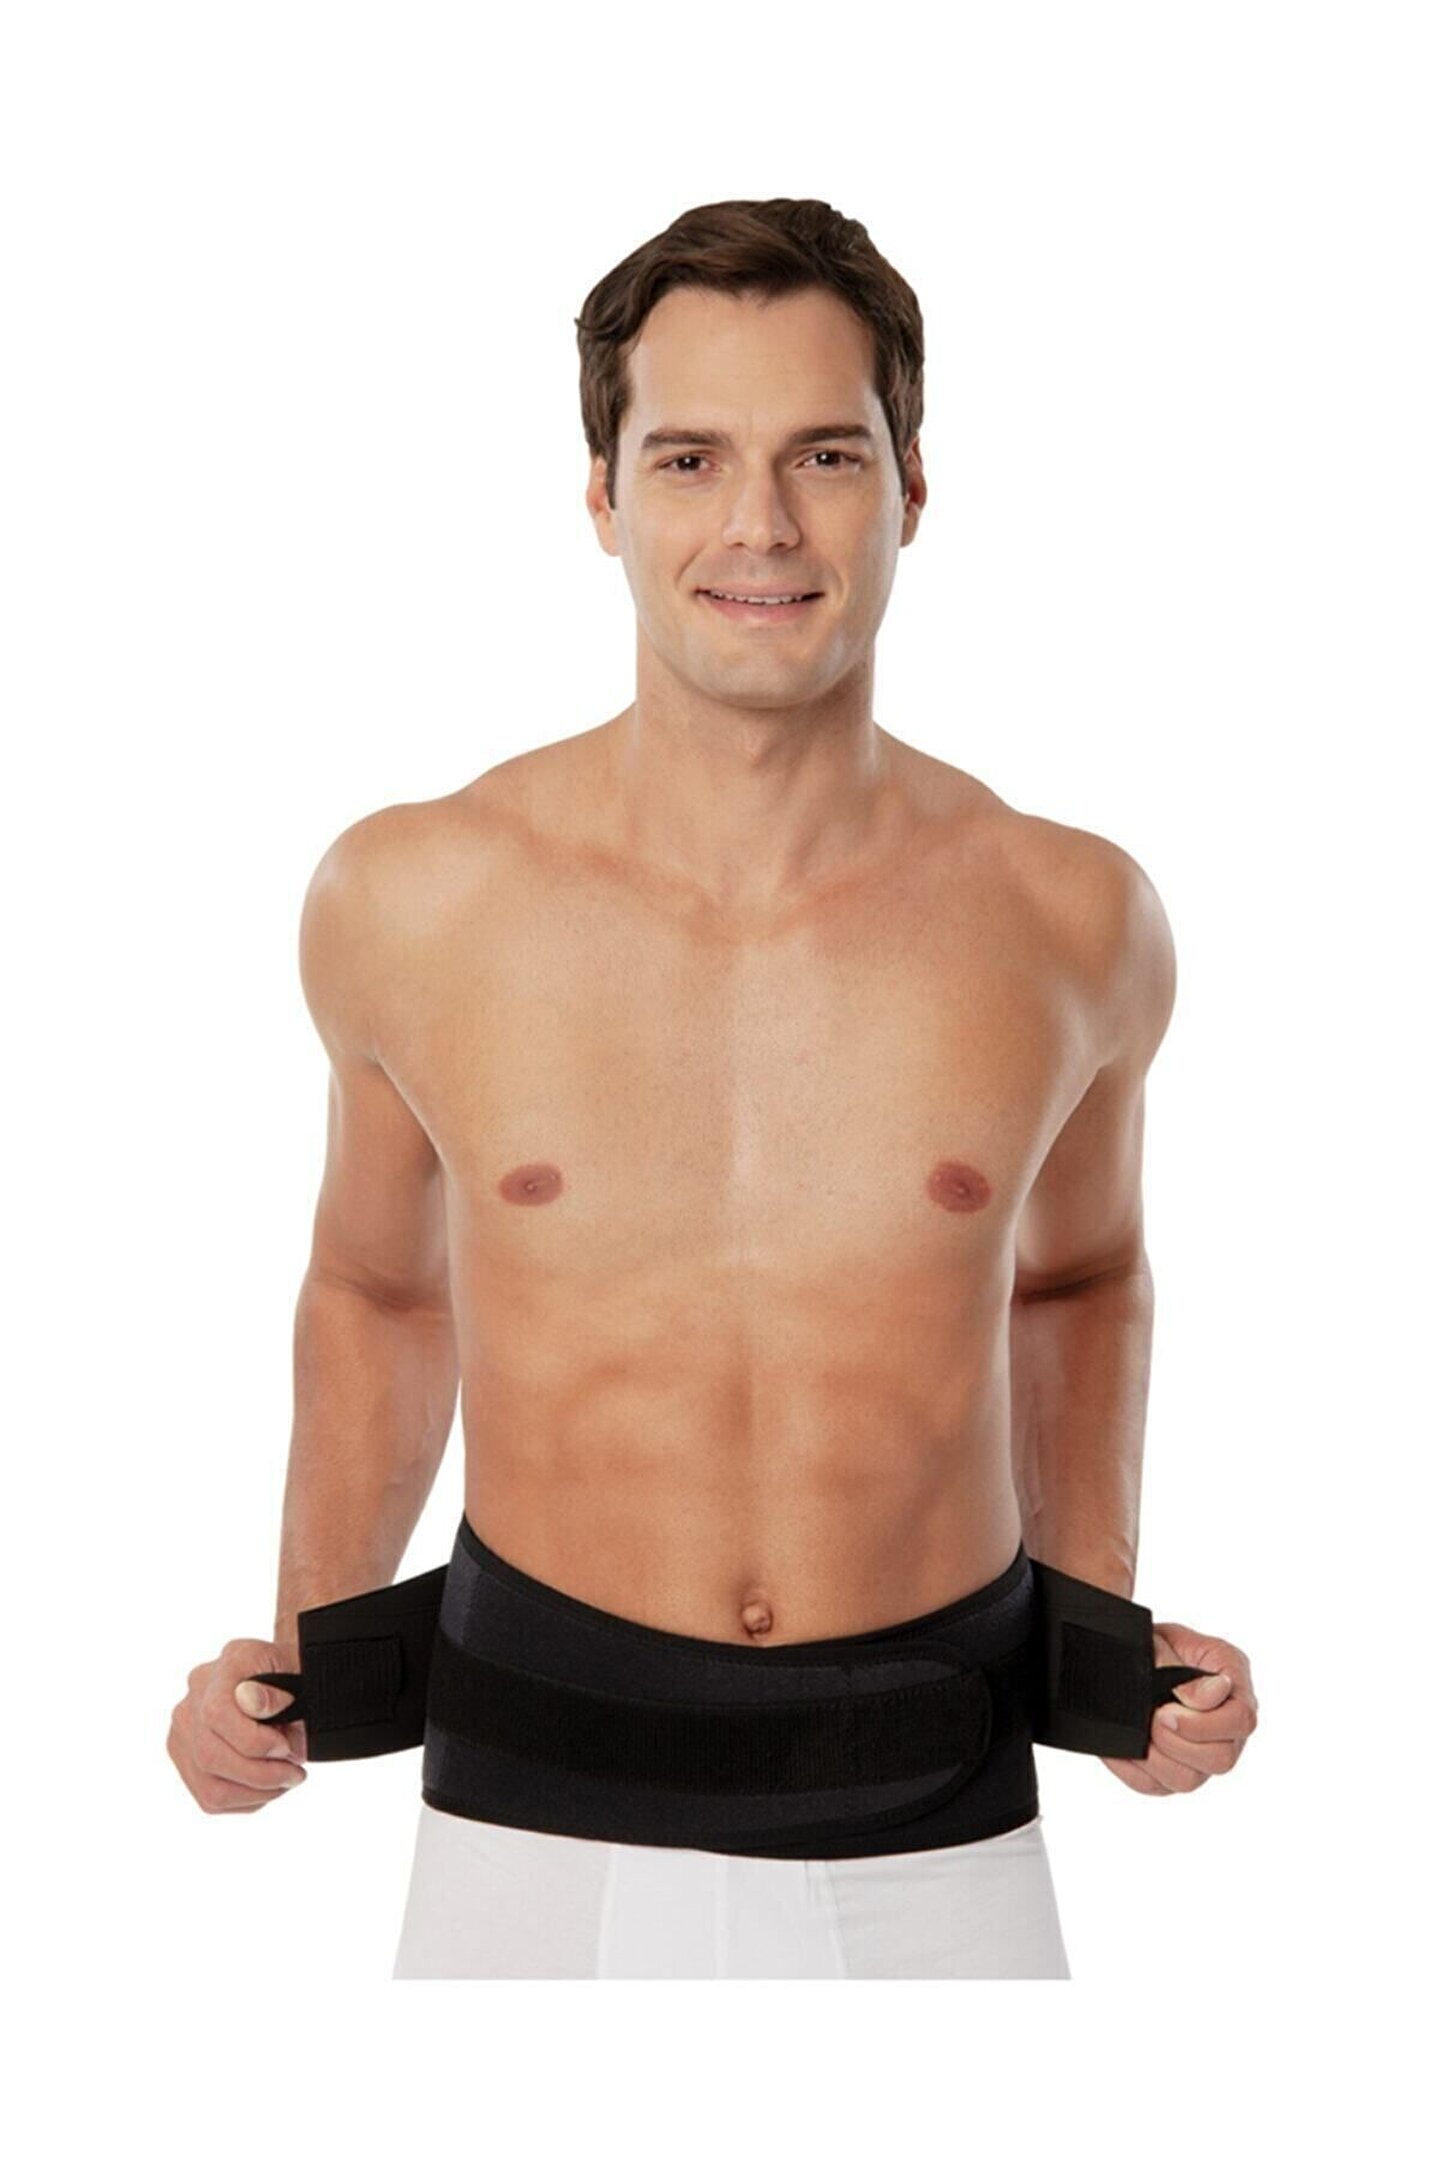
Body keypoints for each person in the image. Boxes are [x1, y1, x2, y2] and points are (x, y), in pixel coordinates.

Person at [166, 197, 1257, 1979]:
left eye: (825, 453)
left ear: (912, 486)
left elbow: (1078, 1278)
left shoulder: (1072, 917)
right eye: (690, 459)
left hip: (940, 1829)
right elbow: (377, 1289)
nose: (760, 525)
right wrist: (303, 1653)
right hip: (529, 1834)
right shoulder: (413, 899)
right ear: (603, 497)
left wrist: (1100, 1646)